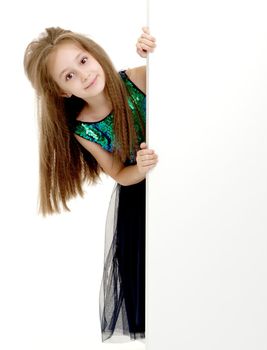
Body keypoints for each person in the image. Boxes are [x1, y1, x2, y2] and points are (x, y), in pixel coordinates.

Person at [23, 26, 157, 342]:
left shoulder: (139, 77)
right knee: (156, 290)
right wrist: (138, 168)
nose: (83, 75)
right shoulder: (85, 129)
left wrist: (152, 54)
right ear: (61, 92)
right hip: (139, 208)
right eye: (68, 76)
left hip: (181, 184)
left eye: (82, 61)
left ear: (93, 52)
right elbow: (118, 173)